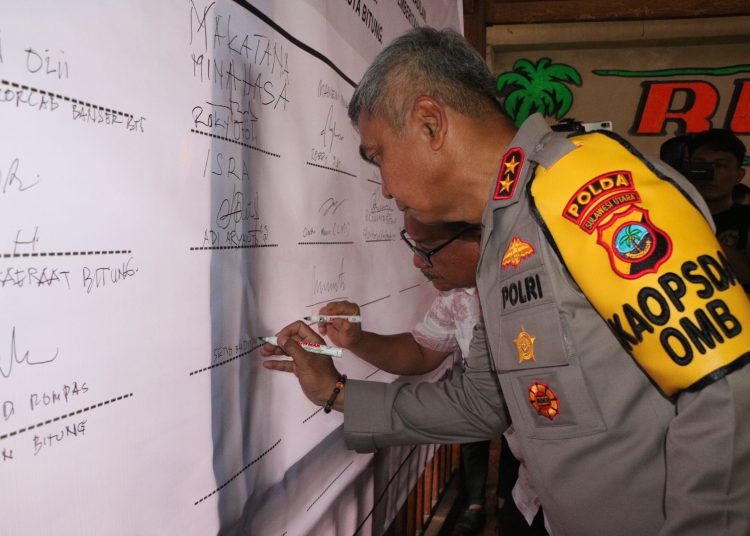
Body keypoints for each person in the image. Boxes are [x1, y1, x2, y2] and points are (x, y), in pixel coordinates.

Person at [262, 27, 750, 536]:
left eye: (379, 155)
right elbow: (485, 402)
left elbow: (728, 388)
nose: (384, 188)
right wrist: (336, 391)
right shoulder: (503, 233)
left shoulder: (586, 186)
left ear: (430, 124)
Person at [316, 214, 493, 534]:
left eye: (427, 248)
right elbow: (423, 351)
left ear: (482, 237)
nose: (415, 260)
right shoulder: (457, 296)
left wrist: (336, 392)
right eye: (413, 245)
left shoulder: (522, 300)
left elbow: (481, 411)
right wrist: (357, 341)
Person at [687, 129, 750, 290]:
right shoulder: (668, 216)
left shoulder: (747, 219)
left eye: (720, 165)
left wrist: (700, 232)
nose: (710, 174)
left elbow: (746, 274)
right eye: (701, 165)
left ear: (738, 175)